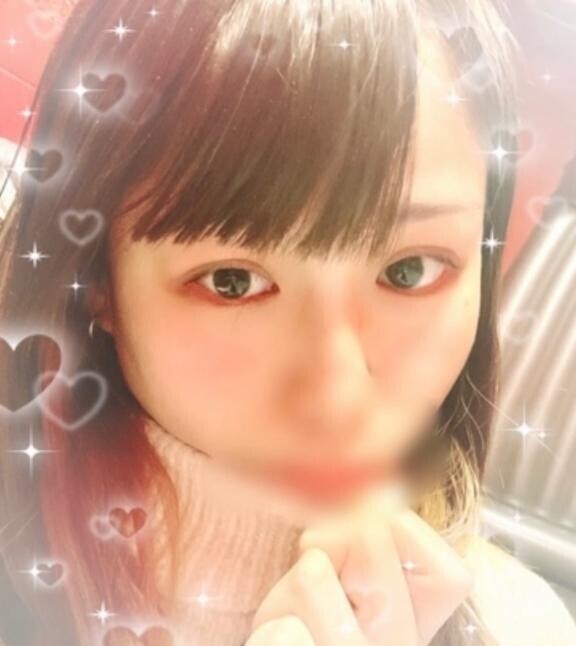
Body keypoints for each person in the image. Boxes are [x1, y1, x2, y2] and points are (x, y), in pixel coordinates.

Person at [0, 0, 575, 644]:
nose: (337, 392)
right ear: (96, 282)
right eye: (232, 282)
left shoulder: (523, 624)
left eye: (410, 270)